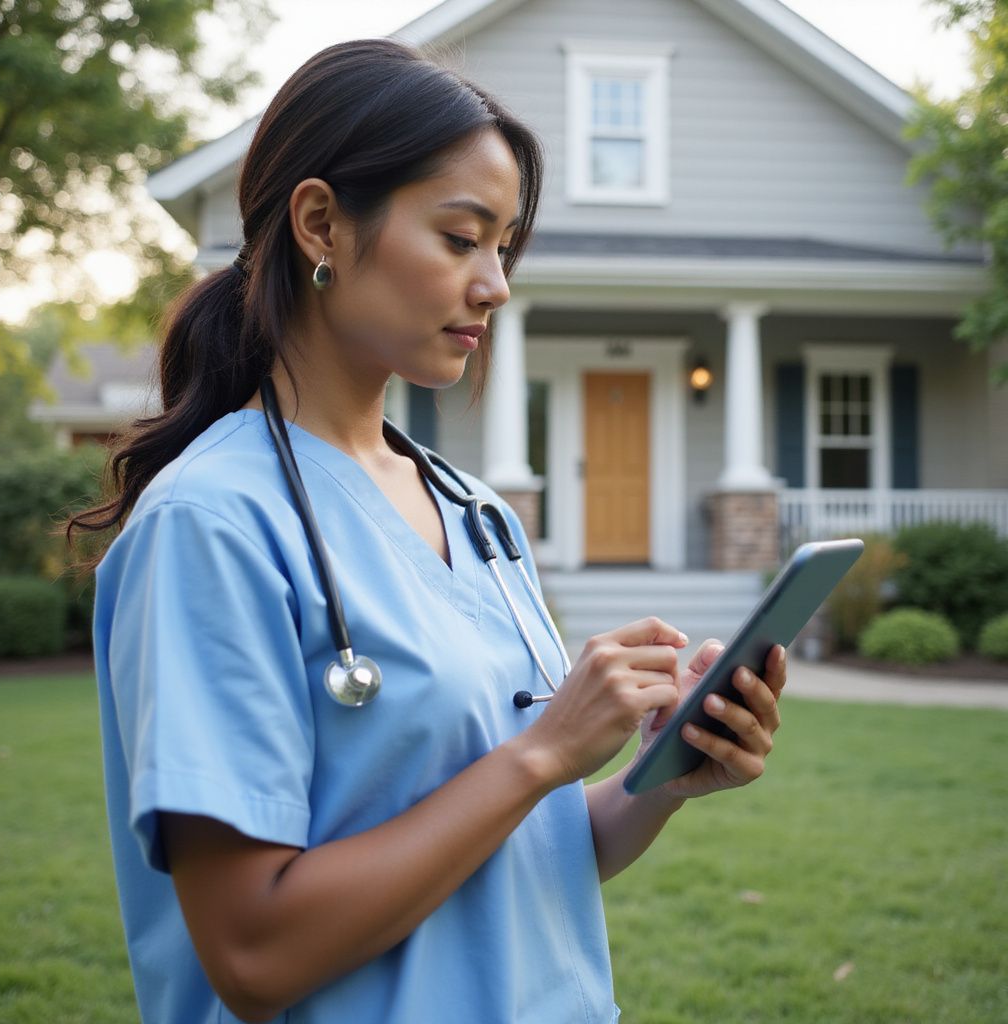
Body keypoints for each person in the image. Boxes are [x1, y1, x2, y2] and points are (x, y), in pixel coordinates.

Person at [71, 38, 787, 1024]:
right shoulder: (213, 526)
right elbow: (254, 951)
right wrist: (540, 751)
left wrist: (654, 783)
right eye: (461, 239)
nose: (494, 283)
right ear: (321, 222)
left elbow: (522, 850)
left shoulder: (476, 513)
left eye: (503, 247)